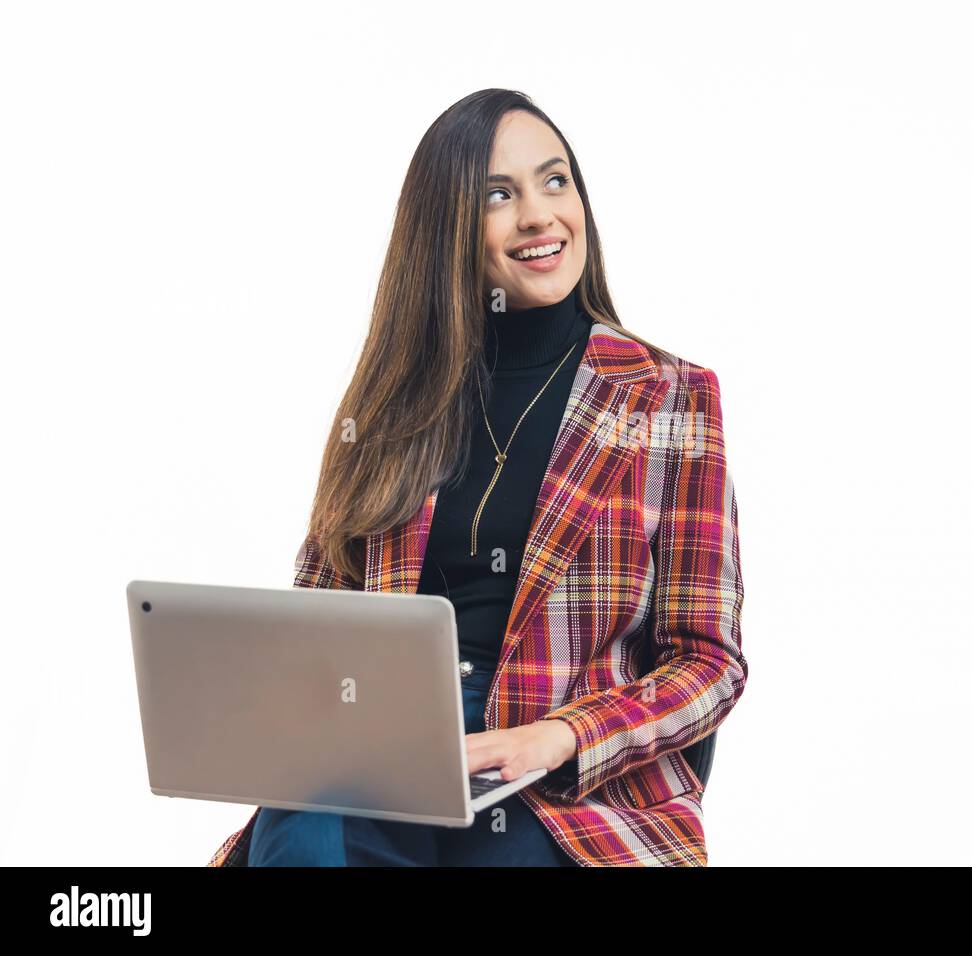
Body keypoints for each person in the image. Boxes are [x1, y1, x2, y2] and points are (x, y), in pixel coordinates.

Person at [207, 89, 747, 867]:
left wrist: (557, 737)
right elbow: (315, 626)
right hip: (385, 755)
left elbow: (709, 660)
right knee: (303, 833)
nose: (539, 216)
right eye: (500, 195)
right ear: (447, 228)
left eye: (555, 181)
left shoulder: (670, 396)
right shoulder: (392, 404)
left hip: (562, 777)